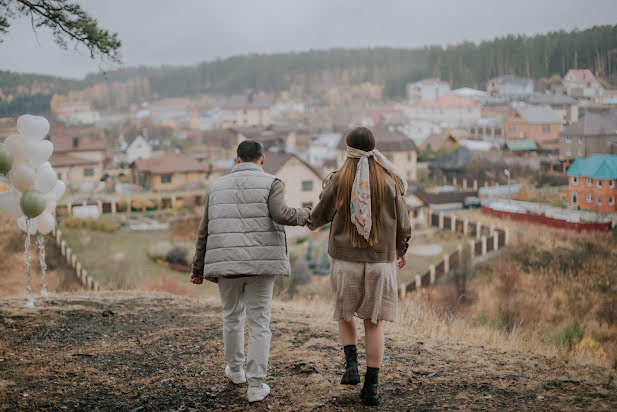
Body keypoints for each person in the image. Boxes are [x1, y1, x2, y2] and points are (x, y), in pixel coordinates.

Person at [190, 140, 310, 403]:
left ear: (237, 159)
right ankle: (256, 386)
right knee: (259, 324)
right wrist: (308, 215)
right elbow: (282, 214)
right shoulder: (272, 182)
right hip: (260, 265)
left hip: (226, 265)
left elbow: (204, 230)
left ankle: (235, 371)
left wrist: (197, 268)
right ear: (262, 159)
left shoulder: (216, 186)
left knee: (231, 317)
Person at [308, 126, 411, 406]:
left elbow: (321, 212)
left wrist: (310, 223)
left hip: (345, 260)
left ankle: (351, 365)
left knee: (345, 313)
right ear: (374, 146)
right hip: (380, 261)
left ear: (348, 148)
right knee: (374, 323)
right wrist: (401, 249)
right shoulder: (391, 180)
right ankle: (372, 388)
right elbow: (403, 220)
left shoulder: (339, 178)